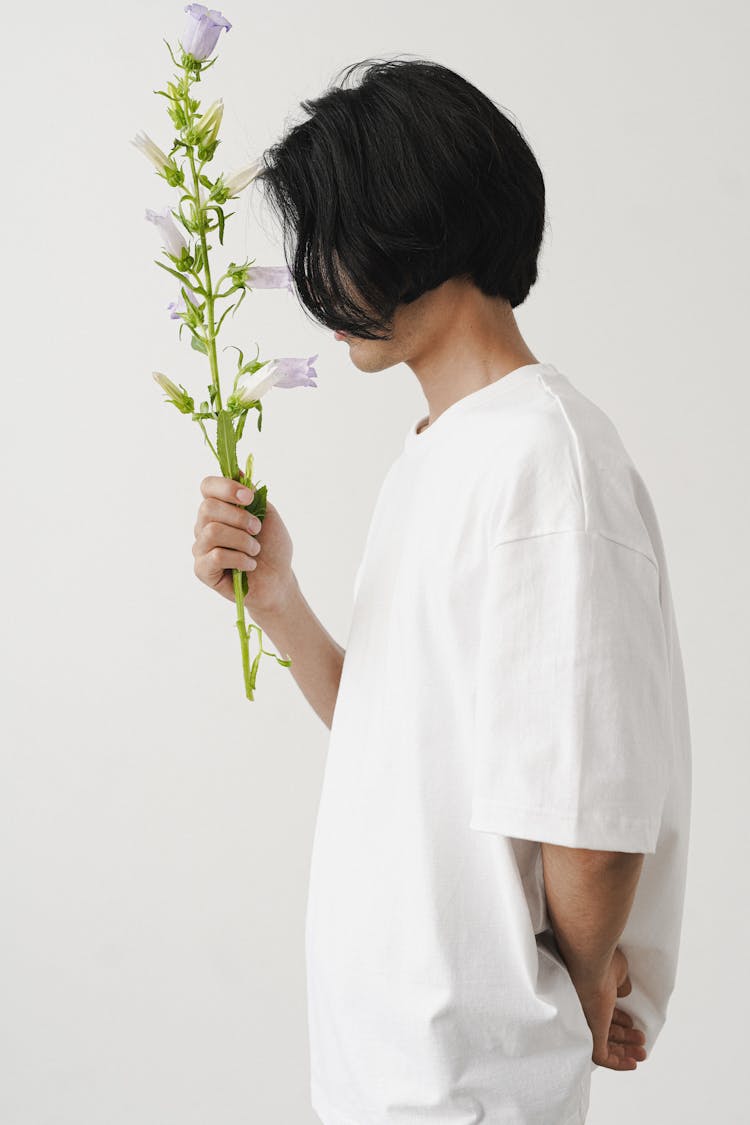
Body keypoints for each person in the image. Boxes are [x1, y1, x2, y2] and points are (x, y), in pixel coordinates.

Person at [192, 57, 692, 1125]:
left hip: (467, 1087)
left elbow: (592, 817)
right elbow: (402, 739)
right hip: (388, 1073)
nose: (314, 273)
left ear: (408, 227)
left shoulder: (544, 463)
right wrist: (277, 595)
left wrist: (593, 976)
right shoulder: (445, 456)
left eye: (330, 235)